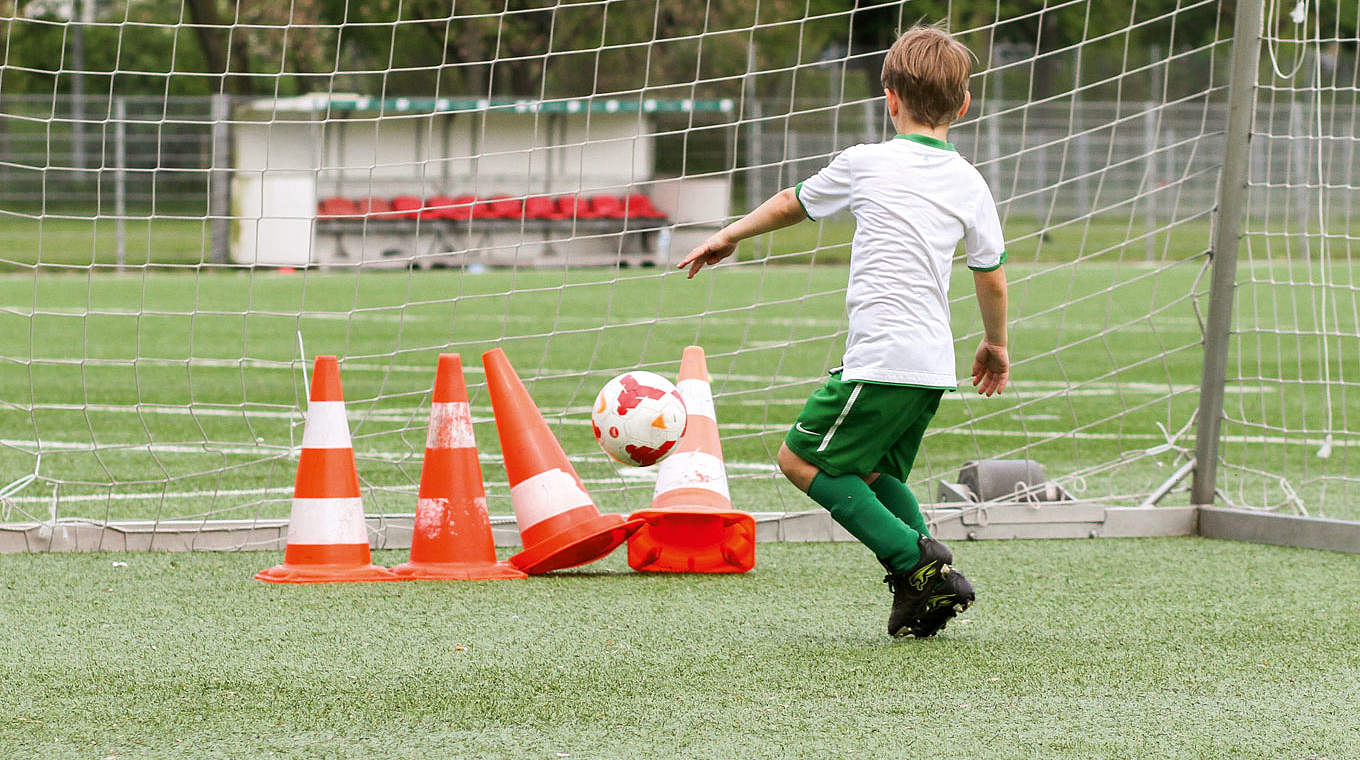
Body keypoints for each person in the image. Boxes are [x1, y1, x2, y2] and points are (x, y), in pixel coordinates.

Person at [678, 24, 1009, 638]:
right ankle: (927, 587)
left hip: (880, 359)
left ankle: (917, 564)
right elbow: (989, 274)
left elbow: (790, 202)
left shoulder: (866, 162)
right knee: (876, 476)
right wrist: (995, 343)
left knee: (799, 459)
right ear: (963, 106)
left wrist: (729, 234)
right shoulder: (971, 180)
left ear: (888, 98)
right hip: (932, 368)